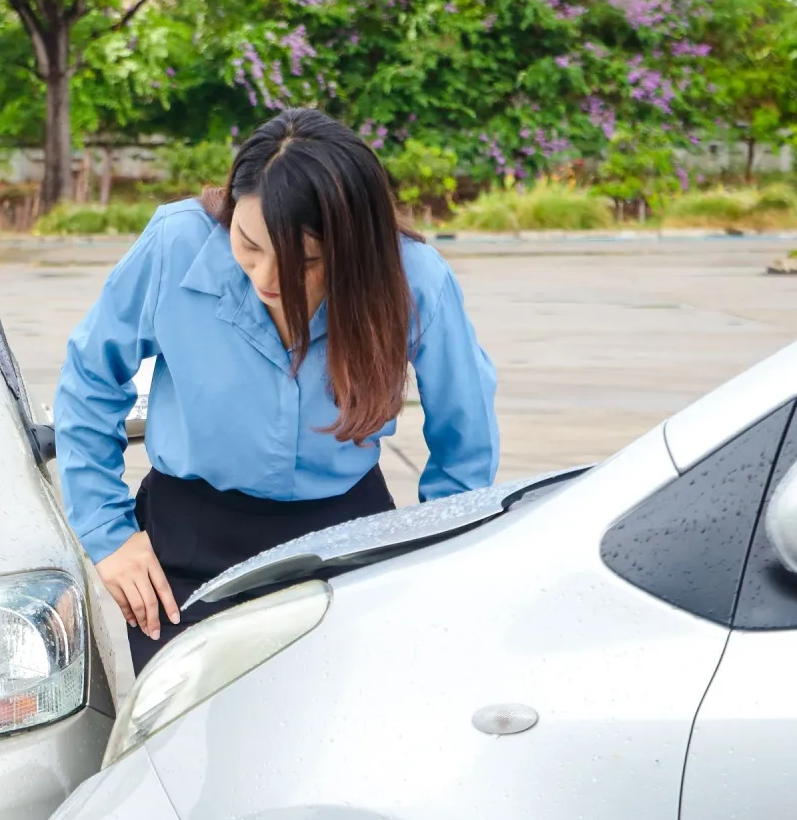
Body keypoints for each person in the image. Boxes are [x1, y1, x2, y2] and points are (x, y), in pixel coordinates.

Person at [55, 109, 501, 670]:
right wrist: (108, 532)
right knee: (185, 736)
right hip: (187, 540)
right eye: (248, 244)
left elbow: (465, 436)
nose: (267, 278)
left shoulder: (416, 279)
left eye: (307, 262)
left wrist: (434, 554)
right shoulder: (175, 243)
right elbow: (90, 379)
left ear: (354, 248)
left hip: (346, 535)